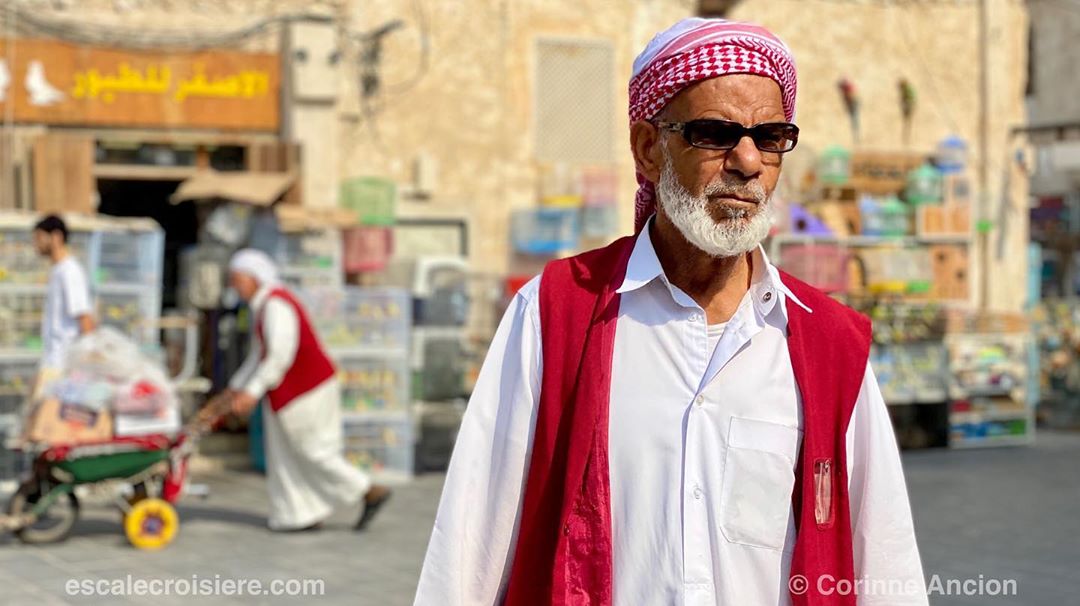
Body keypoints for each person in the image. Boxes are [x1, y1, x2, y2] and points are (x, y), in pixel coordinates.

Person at [416, 18, 928, 606]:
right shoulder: (555, 315)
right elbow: (468, 551)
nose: (747, 161)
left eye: (769, 137)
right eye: (714, 133)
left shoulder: (828, 343)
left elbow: (885, 560)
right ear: (648, 149)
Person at [224, 248, 391, 532]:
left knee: (312, 449)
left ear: (254, 278)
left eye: (238, 280)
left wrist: (251, 391)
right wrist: (236, 387)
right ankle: (300, 514)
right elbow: (259, 354)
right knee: (286, 456)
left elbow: (279, 355)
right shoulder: (263, 306)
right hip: (288, 392)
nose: (235, 287)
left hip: (305, 390)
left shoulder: (276, 305)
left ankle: (366, 490)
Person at [33, 215, 95, 398]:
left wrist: (87, 362)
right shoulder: (57, 270)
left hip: (65, 364)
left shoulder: (70, 271)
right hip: (53, 361)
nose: (36, 244)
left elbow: (84, 317)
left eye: (40, 237)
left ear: (56, 237)